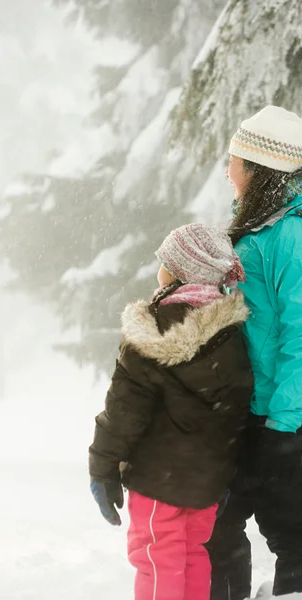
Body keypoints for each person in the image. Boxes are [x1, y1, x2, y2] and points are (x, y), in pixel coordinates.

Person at [89, 223, 254, 600]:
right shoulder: (231, 338)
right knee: (193, 555)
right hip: (207, 482)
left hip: (156, 480)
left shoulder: (151, 330)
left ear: (179, 272)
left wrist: (102, 467)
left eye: (164, 261)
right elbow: (234, 413)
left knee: (156, 558)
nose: (158, 267)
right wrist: (225, 475)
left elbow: (123, 412)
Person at [207, 105, 302, 600]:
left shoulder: (291, 234)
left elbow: (301, 333)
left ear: (258, 168)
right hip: (250, 410)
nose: (227, 172)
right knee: (213, 525)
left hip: (280, 418)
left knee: (292, 537)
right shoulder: (259, 228)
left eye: (234, 161)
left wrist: (285, 427)